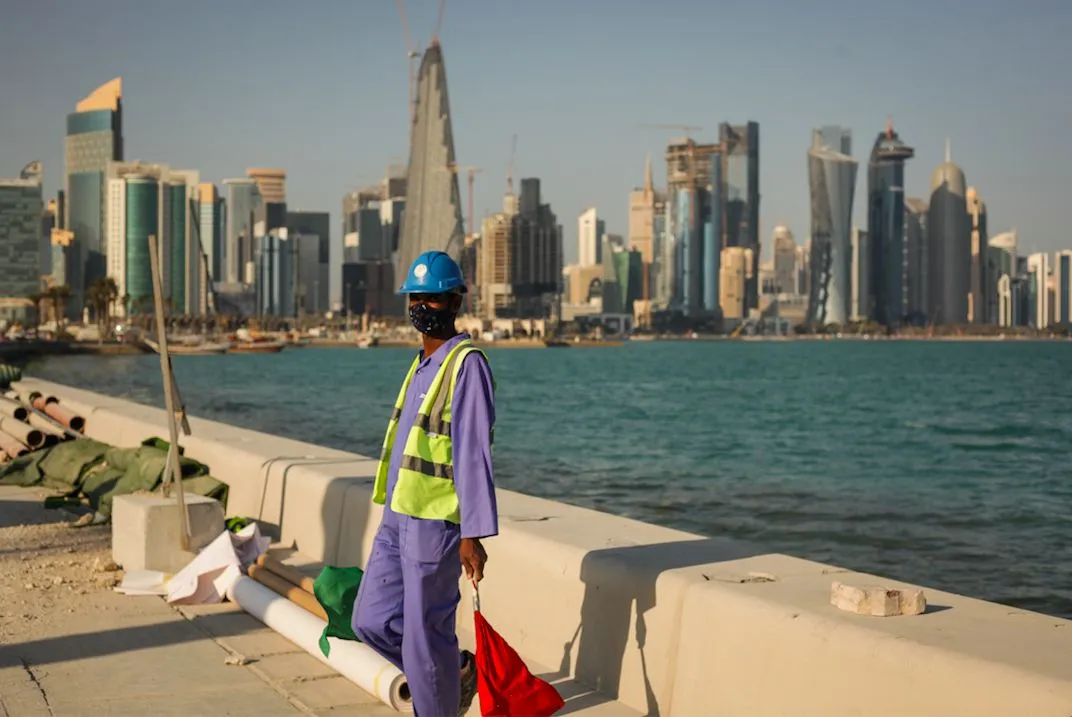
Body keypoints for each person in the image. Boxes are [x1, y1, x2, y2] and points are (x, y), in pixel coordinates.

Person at [353, 250, 498, 716]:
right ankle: (452, 670)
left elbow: (473, 454)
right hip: (399, 515)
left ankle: (436, 698)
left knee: (422, 635)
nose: (424, 305)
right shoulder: (420, 364)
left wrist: (472, 533)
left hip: (436, 524)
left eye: (435, 298)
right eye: (417, 297)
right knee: (370, 620)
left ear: (455, 302)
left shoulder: (466, 363)